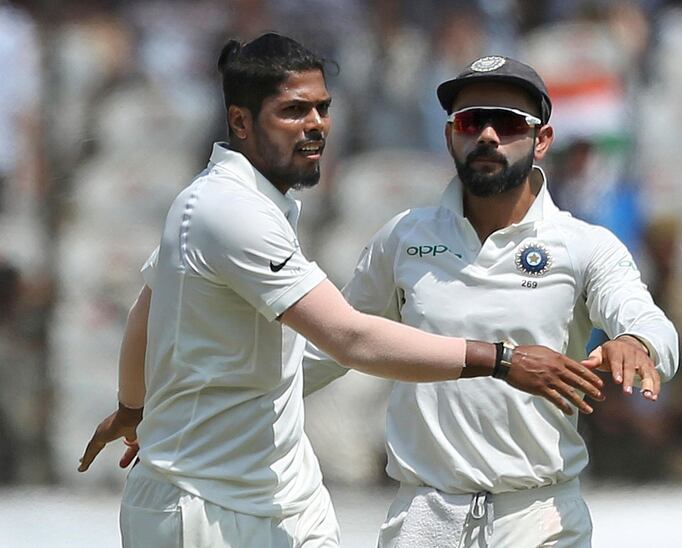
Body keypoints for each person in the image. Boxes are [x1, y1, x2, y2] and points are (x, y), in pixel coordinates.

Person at [77, 35, 607, 548]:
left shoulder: (250, 203)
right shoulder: (226, 209)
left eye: (322, 109)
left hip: (275, 498)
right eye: (293, 112)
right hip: (200, 503)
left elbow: (149, 305)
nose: (315, 126)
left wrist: (132, 404)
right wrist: (502, 360)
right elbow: (348, 337)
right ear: (240, 121)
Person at [303, 55, 679, 547]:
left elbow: (651, 324)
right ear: (448, 136)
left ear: (542, 140)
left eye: (506, 122)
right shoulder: (402, 238)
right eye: (469, 121)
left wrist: (637, 342)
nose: (486, 136)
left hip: (540, 515)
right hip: (424, 515)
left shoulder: (583, 244)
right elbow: (333, 345)